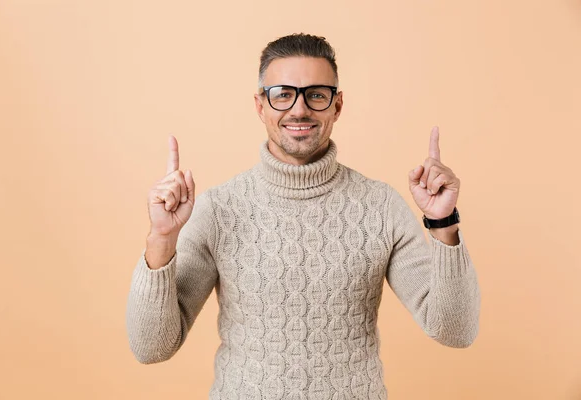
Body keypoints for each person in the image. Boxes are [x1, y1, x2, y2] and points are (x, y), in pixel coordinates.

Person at [125, 33, 480, 399]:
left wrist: (443, 224)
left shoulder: (380, 206)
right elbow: (151, 347)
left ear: (337, 105)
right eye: (282, 93)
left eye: (316, 94)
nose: (299, 109)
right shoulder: (218, 209)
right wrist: (161, 239)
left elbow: (455, 330)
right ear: (260, 106)